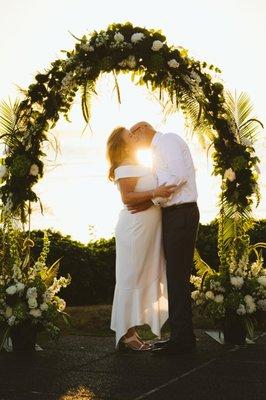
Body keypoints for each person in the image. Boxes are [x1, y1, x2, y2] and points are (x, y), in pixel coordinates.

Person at [129, 122, 199, 356]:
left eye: (133, 136)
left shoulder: (167, 140)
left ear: (142, 129)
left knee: (177, 278)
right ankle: (181, 336)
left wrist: (154, 199)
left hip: (181, 213)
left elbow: (178, 176)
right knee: (175, 278)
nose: (134, 142)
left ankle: (183, 341)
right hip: (175, 215)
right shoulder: (159, 150)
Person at [106, 126, 178, 352]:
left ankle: (133, 330)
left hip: (148, 230)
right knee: (130, 277)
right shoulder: (124, 167)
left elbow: (143, 199)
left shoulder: (139, 164)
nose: (135, 137)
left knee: (144, 275)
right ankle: (127, 334)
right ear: (122, 144)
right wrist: (155, 194)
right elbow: (128, 199)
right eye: (130, 135)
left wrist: (152, 200)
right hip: (135, 230)